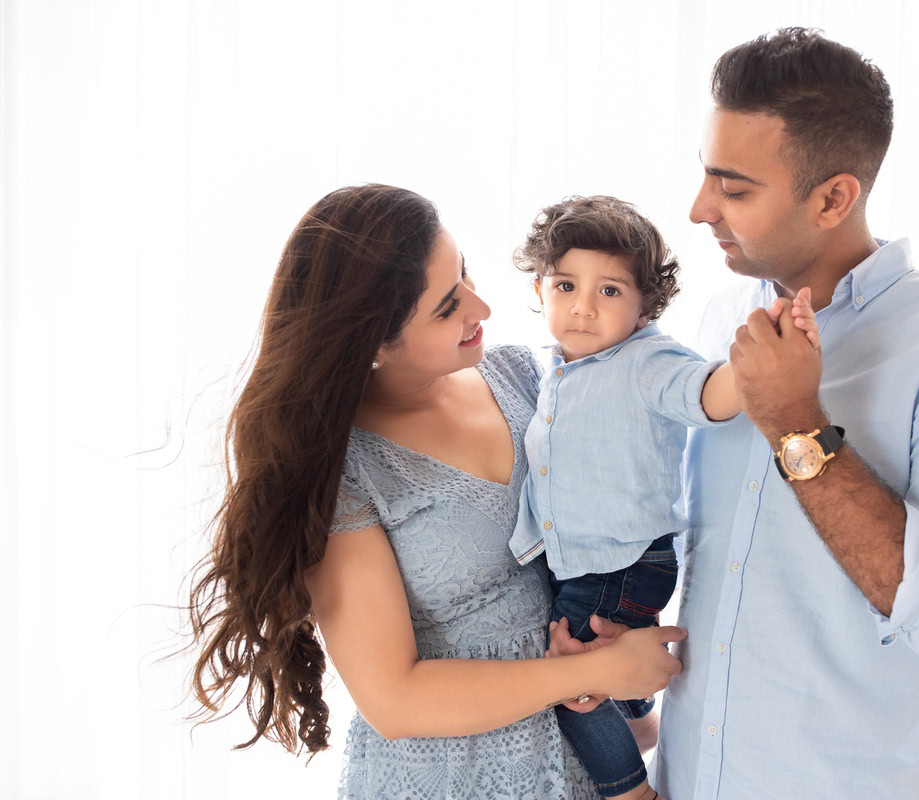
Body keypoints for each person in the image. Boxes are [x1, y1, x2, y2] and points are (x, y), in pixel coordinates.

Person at [552, 27, 919, 799]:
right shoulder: (716, 325)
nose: (699, 207)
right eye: (705, 175)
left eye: (735, 188)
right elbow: (723, 559)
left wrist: (795, 423)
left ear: (835, 197)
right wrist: (634, 630)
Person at [182, 184, 688, 800]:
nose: (483, 307)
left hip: (576, 759)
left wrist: (613, 634)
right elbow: (394, 698)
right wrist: (595, 670)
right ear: (372, 340)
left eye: (466, 274)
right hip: (451, 776)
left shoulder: (526, 377)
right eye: (448, 306)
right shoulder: (344, 472)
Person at [508, 195, 825, 799]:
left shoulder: (645, 359)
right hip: (591, 561)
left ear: (643, 304)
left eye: (609, 291)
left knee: (569, 686)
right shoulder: (554, 369)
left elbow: (707, 392)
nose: (582, 307)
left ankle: (633, 792)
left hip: (623, 560)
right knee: (602, 654)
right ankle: (643, 722)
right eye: (566, 284)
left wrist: (765, 362)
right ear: (541, 287)